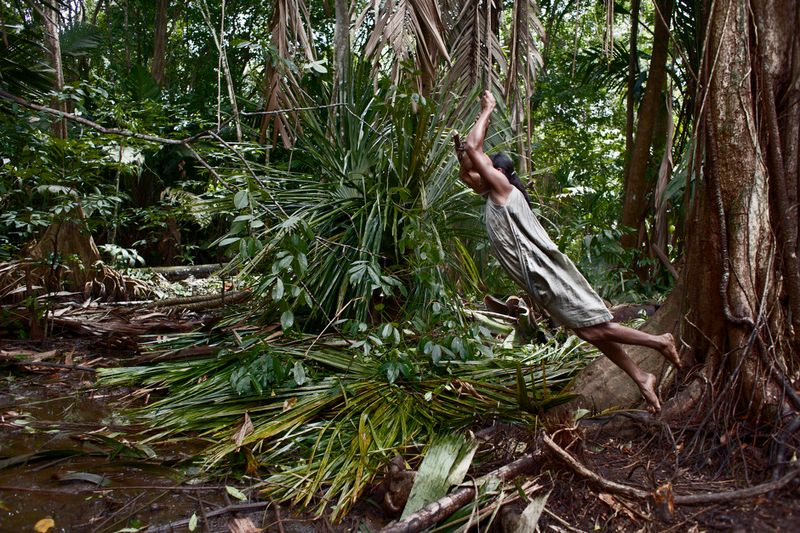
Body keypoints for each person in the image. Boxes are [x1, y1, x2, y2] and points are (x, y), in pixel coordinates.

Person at [457, 90, 680, 413]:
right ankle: (642, 377)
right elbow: (466, 168)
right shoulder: (490, 194)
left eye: (482, 170)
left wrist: (487, 109)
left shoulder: (504, 191)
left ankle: (660, 341)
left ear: (499, 174)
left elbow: (473, 148)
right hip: (538, 282)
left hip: (547, 275)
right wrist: (460, 154)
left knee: (594, 327)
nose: (473, 177)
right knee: (588, 333)